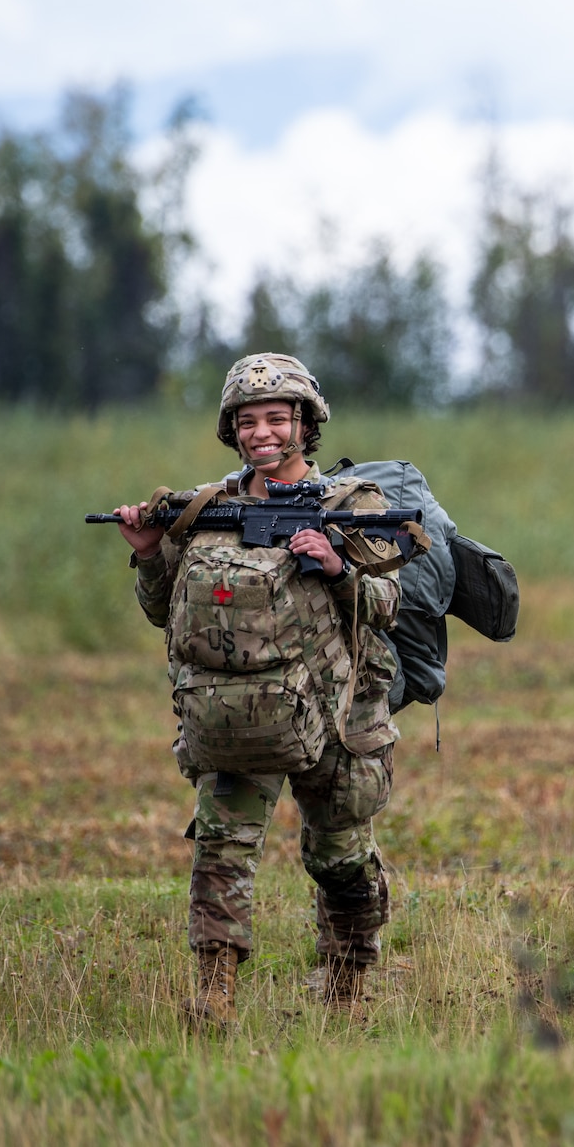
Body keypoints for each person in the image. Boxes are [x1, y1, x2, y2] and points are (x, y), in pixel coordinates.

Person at [112, 353, 405, 1030]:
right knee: (221, 851)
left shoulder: (351, 505)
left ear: (306, 422)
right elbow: (165, 612)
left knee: (340, 859)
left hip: (335, 714)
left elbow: (386, 603)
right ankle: (213, 998)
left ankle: (348, 984)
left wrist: (336, 565)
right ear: (230, 428)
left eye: (278, 418)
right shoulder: (205, 507)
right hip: (239, 713)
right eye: (249, 421)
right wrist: (151, 551)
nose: (263, 433)